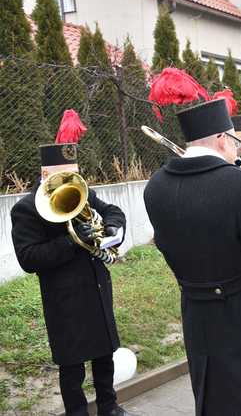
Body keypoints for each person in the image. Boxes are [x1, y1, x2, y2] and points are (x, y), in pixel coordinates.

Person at [143, 69, 241, 415]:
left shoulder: (156, 187)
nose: (236, 147)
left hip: (198, 318)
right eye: (233, 140)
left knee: (214, 400)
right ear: (221, 139)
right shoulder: (238, 184)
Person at [11, 110, 131, 416]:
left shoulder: (83, 193)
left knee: (105, 356)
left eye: (74, 172)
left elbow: (114, 210)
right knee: (72, 366)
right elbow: (29, 258)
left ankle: (109, 407)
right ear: (45, 175)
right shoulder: (26, 209)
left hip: (96, 286)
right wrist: (71, 239)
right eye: (64, 174)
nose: (72, 180)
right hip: (64, 297)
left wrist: (115, 230)